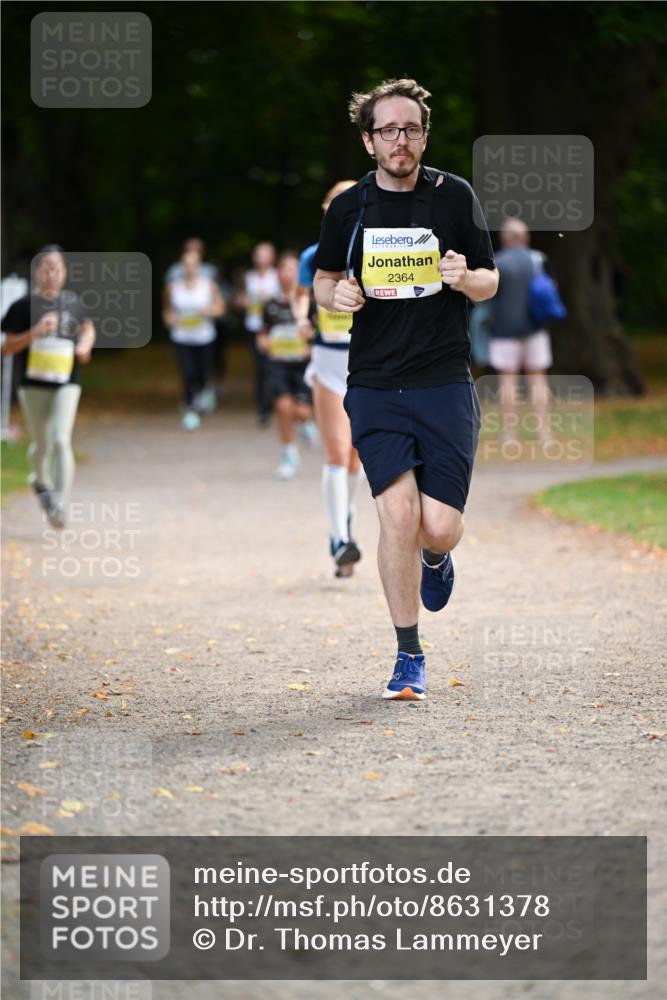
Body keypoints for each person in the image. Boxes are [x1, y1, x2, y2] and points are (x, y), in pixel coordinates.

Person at [313, 79, 498, 701]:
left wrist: (465, 276)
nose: (401, 140)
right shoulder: (350, 208)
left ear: (423, 136)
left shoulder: (455, 196)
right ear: (369, 141)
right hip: (375, 383)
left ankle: (436, 557)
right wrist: (336, 295)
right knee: (397, 514)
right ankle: (408, 654)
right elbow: (323, 280)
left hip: (444, 381)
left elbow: (490, 280)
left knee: (437, 527)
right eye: (388, 130)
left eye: (411, 129)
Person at [295, 180, 365, 578]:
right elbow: (299, 294)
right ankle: (339, 539)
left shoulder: (373, 251)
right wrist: (301, 320)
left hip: (366, 365)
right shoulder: (313, 255)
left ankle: (346, 518)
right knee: (337, 451)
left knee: (356, 455)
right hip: (328, 364)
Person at [0, 245, 95, 528]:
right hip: (33, 386)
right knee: (42, 443)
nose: (52, 273)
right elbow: (6, 347)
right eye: (47, 268)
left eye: (58, 268)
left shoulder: (73, 302)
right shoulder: (23, 306)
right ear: (37, 272)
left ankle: (58, 506)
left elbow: (88, 328)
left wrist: (85, 345)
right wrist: (34, 332)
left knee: (61, 439)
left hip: (67, 382)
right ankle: (40, 482)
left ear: (65, 272)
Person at [489, 218, 554, 445]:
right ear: (525, 237)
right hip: (536, 328)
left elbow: (489, 299)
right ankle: (544, 434)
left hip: (504, 330)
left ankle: (510, 435)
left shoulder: (497, 263)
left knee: (508, 382)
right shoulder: (538, 259)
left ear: (504, 238)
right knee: (538, 380)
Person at [257, 252, 318, 480]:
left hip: (302, 366)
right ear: (278, 273)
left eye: (294, 269)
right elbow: (262, 334)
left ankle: (306, 423)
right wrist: (263, 342)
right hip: (278, 364)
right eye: (285, 268)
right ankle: (289, 455)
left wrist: (310, 345)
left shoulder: (310, 303)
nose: (290, 273)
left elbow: (318, 333)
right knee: (283, 407)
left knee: (301, 411)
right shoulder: (270, 304)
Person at [163, 245, 225, 431]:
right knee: (188, 373)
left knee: (203, 374)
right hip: (181, 337)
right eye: (186, 264)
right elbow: (167, 310)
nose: (190, 268)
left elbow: (220, 308)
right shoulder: (173, 287)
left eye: (193, 264)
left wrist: (208, 311)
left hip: (204, 337)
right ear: (181, 266)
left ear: (199, 265)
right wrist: (170, 320)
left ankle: (202, 394)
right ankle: (189, 408)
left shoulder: (209, 285)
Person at [238, 242, 280, 424]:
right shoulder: (248, 277)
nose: (262, 258)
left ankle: (271, 403)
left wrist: (269, 300)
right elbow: (238, 300)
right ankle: (263, 405)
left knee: (271, 365)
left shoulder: (277, 276)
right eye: (259, 254)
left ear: (272, 257)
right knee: (261, 367)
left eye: (265, 254)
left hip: (273, 328)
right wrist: (246, 301)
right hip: (254, 327)